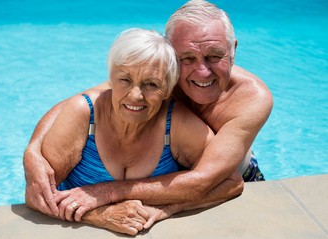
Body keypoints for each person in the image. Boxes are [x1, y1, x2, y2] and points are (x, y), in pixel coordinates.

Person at [23, 0, 272, 225]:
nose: (202, 71)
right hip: (173, 175)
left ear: (233, 49)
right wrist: (33, 150)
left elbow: (206, 181)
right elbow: (82, 101)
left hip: (225, 176)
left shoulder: (252, 98)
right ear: (172, 55)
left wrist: (115, 194)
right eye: (187, 58)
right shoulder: (158, 75)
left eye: (214, 56)